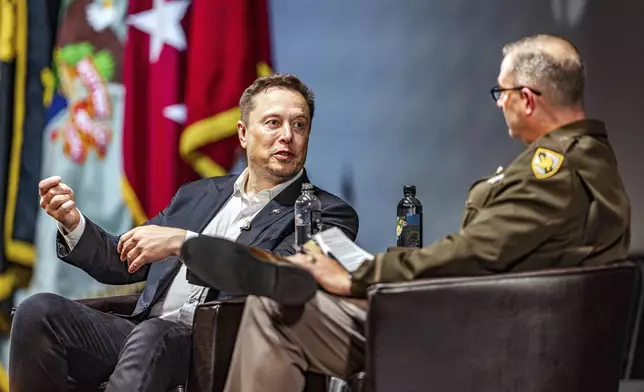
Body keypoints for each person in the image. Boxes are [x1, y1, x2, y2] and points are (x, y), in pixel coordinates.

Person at [197, 34, 631, 392]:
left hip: (488, 333)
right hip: (504, 321)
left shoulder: (551, 170)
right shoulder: (589, 158)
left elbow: (474, 253)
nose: (500, 104)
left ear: (528, 99)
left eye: (502, 93)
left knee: (275, 309)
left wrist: (360, 276)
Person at [9, 73, 359, 392]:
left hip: (225, 345)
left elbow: (276, 275)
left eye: (299, 125)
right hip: (144, 332)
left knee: (154, 335)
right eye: (273, 123)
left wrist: (184, 243)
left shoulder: (325, 212)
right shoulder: (197, 194)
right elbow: (123, 259)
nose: (287, 135)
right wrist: (72, 223)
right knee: (37, 312)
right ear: (242, 133)